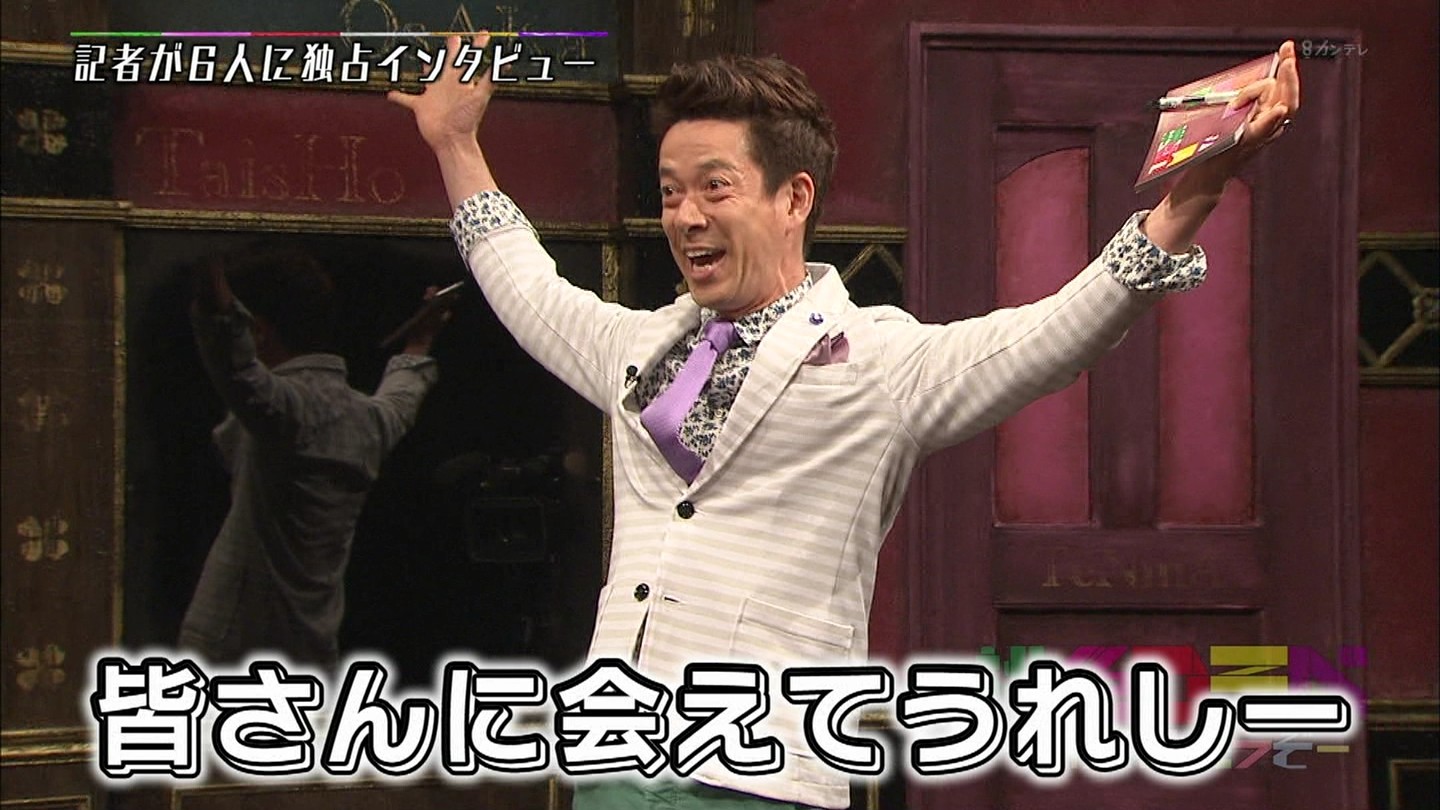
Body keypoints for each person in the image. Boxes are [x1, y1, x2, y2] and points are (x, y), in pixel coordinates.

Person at [389, 36, 1300, 810]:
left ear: (794, 198)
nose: (685, 217)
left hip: (757, 766)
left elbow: (1049, 335)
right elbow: (527, 285)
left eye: (713, 188)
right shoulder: (638, 346)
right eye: (669, 192)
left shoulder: (874, 360)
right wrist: (456, 146)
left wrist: (1191, 199)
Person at [179, 247, 448, 667]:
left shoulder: (285, 409)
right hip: (312, 645)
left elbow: (235, 361)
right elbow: (402, 395)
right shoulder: (368, 420)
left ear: (259, 331)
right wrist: (421, 339)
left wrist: (209, 272)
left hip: (232, 645)